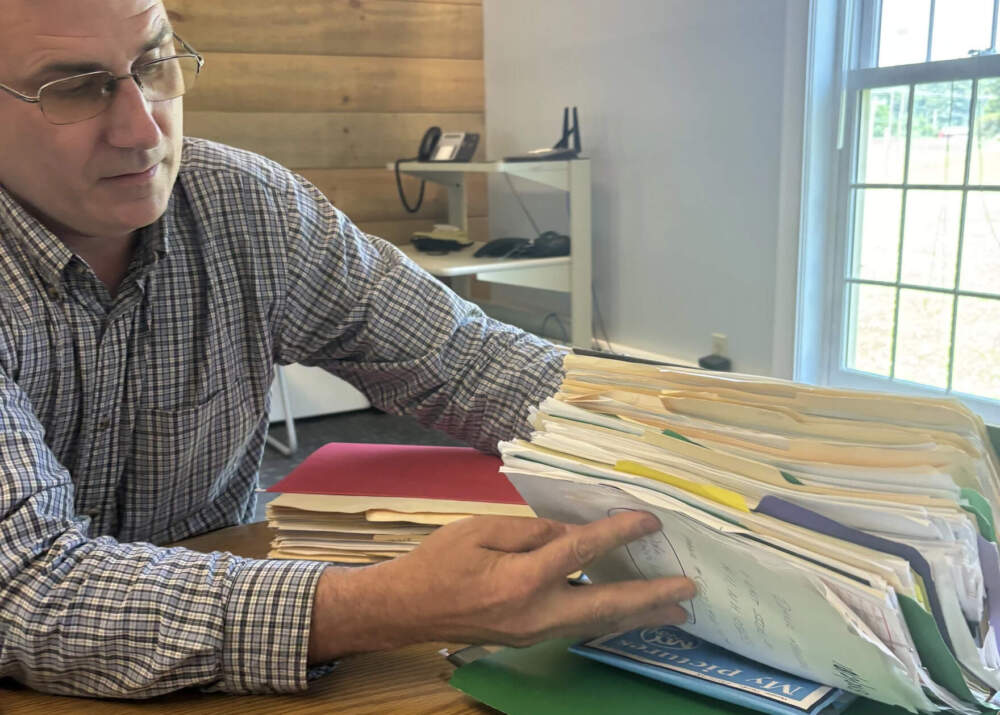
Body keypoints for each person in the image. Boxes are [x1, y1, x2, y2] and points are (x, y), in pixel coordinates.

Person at [0, 0, 697, 699]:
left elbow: (465, 358)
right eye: (75, 88)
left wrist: (680, 439)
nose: (142, 127)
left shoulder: (243, 203)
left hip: (228, 668)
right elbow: (29, 587)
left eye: (153, 63)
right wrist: (384, 603)